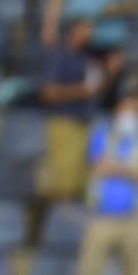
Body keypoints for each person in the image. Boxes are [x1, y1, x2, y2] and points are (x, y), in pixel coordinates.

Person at [75, 80, 138, 275]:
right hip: (102, 218)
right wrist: (134, 173)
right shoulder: (102, 136)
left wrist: (118, 169)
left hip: (136, 219)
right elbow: (100, 166)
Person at [40, 0, 138, 100]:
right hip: (79, 43)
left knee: (106, 95)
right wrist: (49, 27)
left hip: (109, 43)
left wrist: (116, 8)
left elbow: (135, 2)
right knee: (76, 90)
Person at [39, 17, 102, 203]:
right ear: (74, 31)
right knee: (62, 184)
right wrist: (82, 90)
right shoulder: (61, 56)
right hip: (64, 124)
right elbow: (49, 93)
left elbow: (94, 89)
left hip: (85, 124)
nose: (91, 34)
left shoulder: (89, 58)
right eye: (86, 29)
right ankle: (58, 226)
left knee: (81, 184)